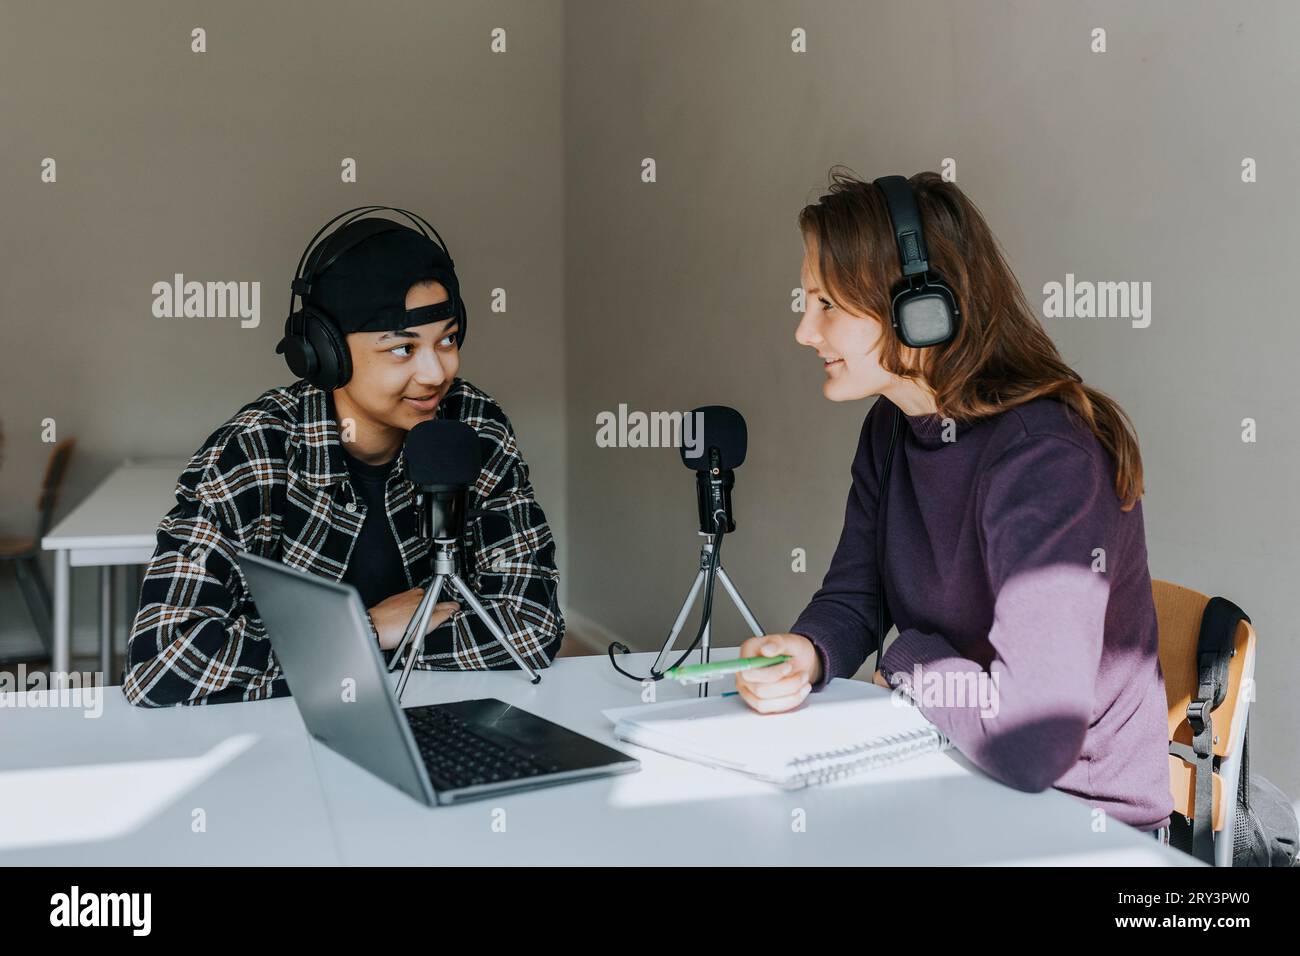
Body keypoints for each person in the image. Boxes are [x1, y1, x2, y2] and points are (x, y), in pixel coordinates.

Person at [735, 169, 1174, 834]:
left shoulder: (1047, 462)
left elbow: (1032, 745)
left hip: (1075, 823)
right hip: (948, 767)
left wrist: (906, 656)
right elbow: (857, 593)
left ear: (922, 307)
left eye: (826, 305)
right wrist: (809, 651)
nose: (804, 331)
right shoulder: (891, 427)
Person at [123, 212, 563, 706]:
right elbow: (164, 665)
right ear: (325, 354)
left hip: (439, 713)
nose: (436, 372)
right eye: (402, 349)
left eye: (449, 339)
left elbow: (530, 626)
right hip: (284, 736)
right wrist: (370, 629)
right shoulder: (253, 450)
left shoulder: (474, 426)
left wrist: (321, 649)